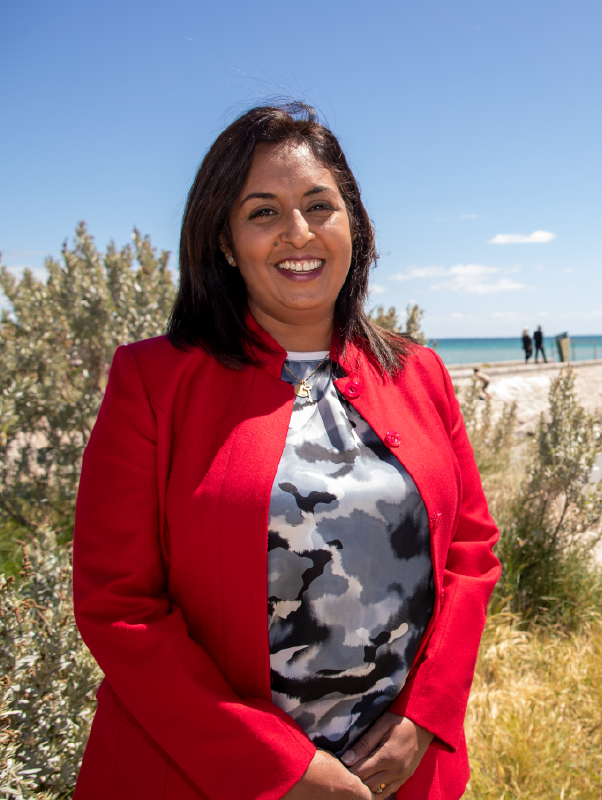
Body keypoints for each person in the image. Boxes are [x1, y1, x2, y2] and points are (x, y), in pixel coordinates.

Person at [71, 103, 501, 800]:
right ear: (224, 241)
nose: (298, 233)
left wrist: (425, 717)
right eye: (263, 212)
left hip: (401, 776)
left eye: (319, 205)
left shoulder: (417, 371)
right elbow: (118, 605)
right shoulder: (152, 381)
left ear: (353, 226)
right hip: (199, 776)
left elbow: (472, 553)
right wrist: (279, 768)